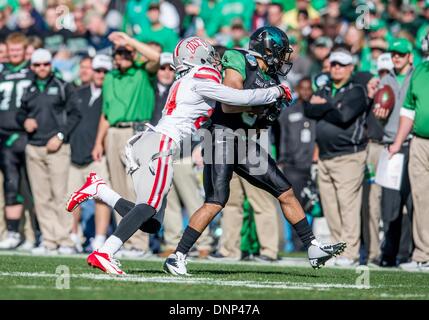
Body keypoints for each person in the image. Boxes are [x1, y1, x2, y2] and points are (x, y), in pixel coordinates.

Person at [66, 35, 292, 275]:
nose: (217, 61)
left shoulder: (184, 79)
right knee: (149, 206)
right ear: (200, 57)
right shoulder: (203, 75)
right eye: (212, 56)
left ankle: (99, 190)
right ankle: (105, 252)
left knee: (151, 222)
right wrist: (276, 91)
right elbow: (239, 98)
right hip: (162, 144)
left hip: (150, 143)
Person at [163, 27, 346, 276]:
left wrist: (268, 110)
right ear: (267, 50)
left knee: (285, 191)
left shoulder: (270, 79)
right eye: (280, 53)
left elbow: (257, 119)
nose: (283, 59)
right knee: (216, 201)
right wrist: (268, 98)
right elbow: (229, 104)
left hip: (245, 140)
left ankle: (313, 247)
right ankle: (177, 255)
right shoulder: (239, 59)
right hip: (220, 137)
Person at [90, 31, 160, 257]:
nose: (122, 56)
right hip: (113, 132)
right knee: (119, 191)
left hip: (136, 132)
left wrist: (129, 41)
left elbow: (156, 58)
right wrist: (98, 141)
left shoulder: (142, 73)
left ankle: (140, 244)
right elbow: (105, 113)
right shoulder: (110, 77)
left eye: (126, 53)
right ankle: (124, 242)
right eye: (119, 52)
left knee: (136, 189)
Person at [304, 48, 369, 267]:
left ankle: (350, 253)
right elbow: (309, 110)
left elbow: (344, 116)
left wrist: (324, 106)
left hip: (348, 156)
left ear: (351, 68)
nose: (336, 68)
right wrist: (329, 106)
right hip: (325, 156)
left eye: (341, 65)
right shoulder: (325, 88)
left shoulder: (357, 90)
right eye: (333, 64)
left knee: (347, 205)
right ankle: (339, 250)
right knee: (330, 207)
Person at [16, 48, 81, 254]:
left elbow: (75, 114)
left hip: (57, 148)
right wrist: (24, 120)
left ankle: (65, 240)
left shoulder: (63, 86)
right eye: (37, 65)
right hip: (34, 147)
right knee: (41, 197)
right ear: (32, 67)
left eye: (45, 64)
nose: (42, 68)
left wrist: (61, 135)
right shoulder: (29, 88)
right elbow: (20, 112)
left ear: (50, 65)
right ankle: (49, 240)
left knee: (60, 195)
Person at [369, 38, 415, 267]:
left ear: (410, 56)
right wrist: (377, 110)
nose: (397, 57)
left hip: (412, 143)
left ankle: (409, 253)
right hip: (390, 146)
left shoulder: (417, 76)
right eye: (394, 53)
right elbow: (377, 116)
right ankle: (389, 253)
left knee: (412, 202)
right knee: (389, 204)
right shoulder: (384, 80)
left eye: (401, 54)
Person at [66, 54, 113, 252]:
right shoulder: (78, 93)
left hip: (97, 156)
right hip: (75, 154)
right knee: (72, 198)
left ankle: (100, 239)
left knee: (101, 198)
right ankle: (73, 236)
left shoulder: (111, 94)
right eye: (98, 70)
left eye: (105, 71)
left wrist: (99, 143)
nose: (101, 74)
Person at [389, 55, 429, 272]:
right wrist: (397, 143)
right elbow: (408, 110)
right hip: (419, 142)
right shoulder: (420, 70)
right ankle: (423, 255)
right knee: (421, 200)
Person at [0, 33, 33, 249]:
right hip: (4, 135)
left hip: (26, 135)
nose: (13, 55)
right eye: (10, 51)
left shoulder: (34, 71)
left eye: (17, 51)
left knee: (32, 188)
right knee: (10, 183)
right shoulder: (2, 72)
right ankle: (13, 232)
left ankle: (33, 234)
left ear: (24, 51)